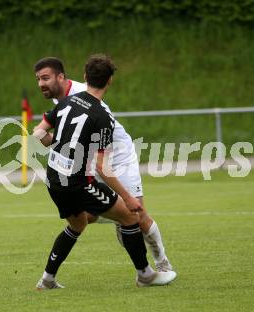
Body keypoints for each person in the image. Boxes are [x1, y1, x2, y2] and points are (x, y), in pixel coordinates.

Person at [33, 54, 177, 289]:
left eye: (44, 78)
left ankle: (47, 280)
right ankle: (145, 275)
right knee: (131, 216)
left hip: (61, 176)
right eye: (39, 79)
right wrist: (128, 198)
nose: (41, 84)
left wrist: (59, 144)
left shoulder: (70, 100)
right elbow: (102, 166)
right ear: (110, 81)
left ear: (81, 76)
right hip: (82, 177)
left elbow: (39, 134)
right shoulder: (101, 115)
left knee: (81, 222)